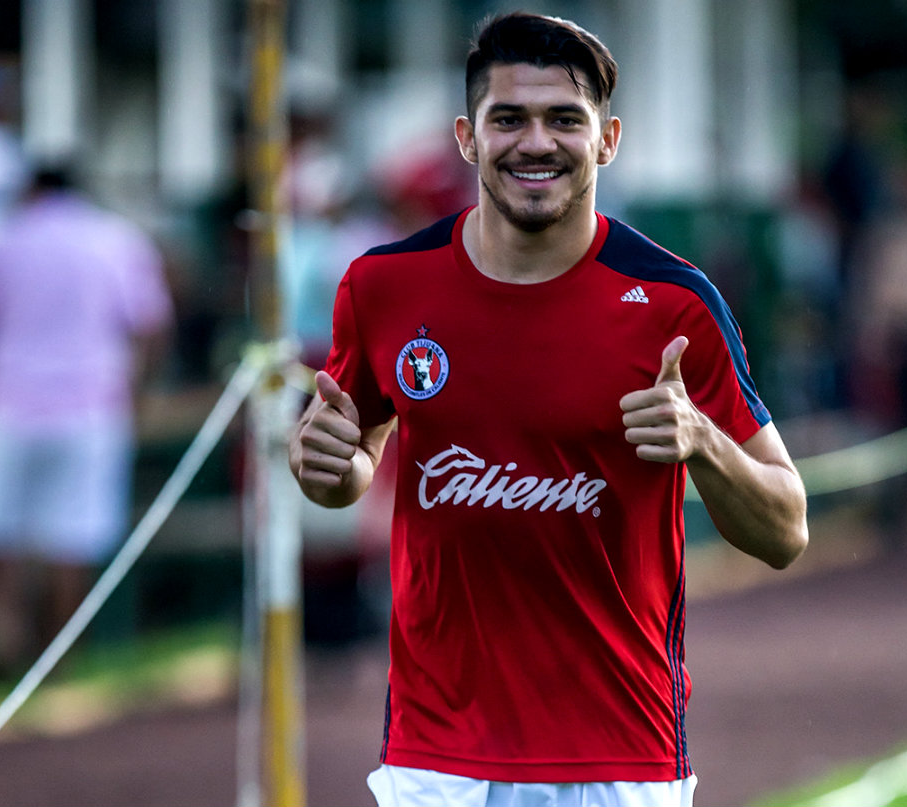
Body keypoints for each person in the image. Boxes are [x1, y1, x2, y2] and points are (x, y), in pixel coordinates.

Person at [288, 13, 808, 807]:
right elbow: (351, 460)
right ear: (468, 137)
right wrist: (325, 467)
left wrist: (702, 438)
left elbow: (786, 529)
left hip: (620, 755)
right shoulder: (383, 286)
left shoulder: (675, 302)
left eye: (565, 118)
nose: (536, 142)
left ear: (608, 139)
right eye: (509, 119)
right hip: (436, 756)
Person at [0, 162, 172, 677]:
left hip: (4, 406)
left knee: (2, 538)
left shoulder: (1, 240)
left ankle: (5, 643)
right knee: (73, 536)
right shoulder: (115, 240)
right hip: (90, 407)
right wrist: (135, 389)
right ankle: (59, 655)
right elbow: (151, 325)